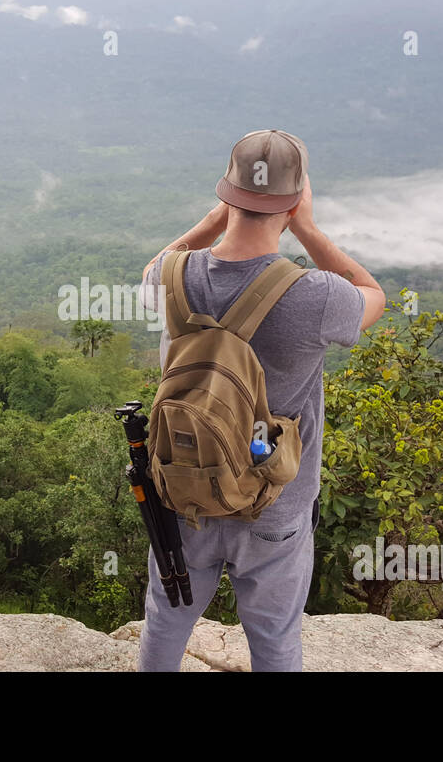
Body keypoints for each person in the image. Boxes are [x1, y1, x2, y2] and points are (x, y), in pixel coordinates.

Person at [136, 129, 386, 671]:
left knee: (166, 623)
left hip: (184, 489)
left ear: (227, 194)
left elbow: (155, 266)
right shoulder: (317, 296)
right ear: (294, 201)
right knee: (273, 639)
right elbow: (373, 296)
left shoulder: (171, 276)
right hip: (276, 504)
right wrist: (310, 229)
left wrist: (212, 220)